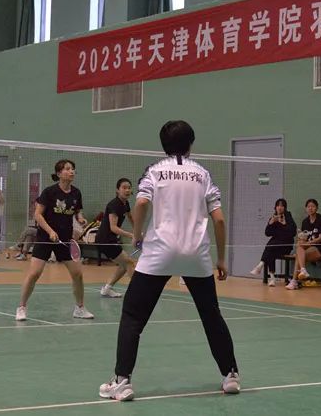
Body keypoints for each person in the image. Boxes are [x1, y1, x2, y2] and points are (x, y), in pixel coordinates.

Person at [99, 120, 240, 401]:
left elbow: (141, 203)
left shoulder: (154, 171)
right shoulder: (203, 174)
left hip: (159, 253)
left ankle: (122, 381)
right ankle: (231, 376)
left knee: (133, 316)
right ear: (191, 144)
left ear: (163, 145)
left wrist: (137, 236)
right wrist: (222, 259)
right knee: (211, 316)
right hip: (196, 256)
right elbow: (219, 220)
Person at [16, 159, 93, 321]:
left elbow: (77, 211)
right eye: (67, 169)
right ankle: (21, 307)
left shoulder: (76, 193)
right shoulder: (49, 192)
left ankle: (79, 308)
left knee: (78, 274)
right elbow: (37, 215)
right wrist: (50, 231)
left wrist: (80, 219)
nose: (71, 171)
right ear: (59, 173)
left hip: (64, 240)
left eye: (73, 169)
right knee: (34, 273)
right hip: (45, 237)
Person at [98, 178, 137, 298]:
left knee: (124, 265)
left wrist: (138, 231)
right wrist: (132, 235)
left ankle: (107, 289)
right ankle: (137, 292)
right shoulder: (114, 205)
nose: (127, 190)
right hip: (105, 240)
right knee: (129, 263)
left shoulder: (125, 204)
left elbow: (130, 217)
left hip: (111, 239)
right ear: (117, 190)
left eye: (129, 188)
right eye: (124, 188)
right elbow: (113, 228)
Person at [249, 198, 296, 287]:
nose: (279, 207)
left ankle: (261, 266)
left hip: (286, 246)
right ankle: (271, 277)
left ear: (285, 208)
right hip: (275, 246)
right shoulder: (273, 218)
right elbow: (267, 233)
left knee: (270, 248)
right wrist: (270, 223)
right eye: (278, 205)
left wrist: (283, 224)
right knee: (271, 251)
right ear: (275, 207)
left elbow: (292, 233)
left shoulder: (288, 217)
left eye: (282, 206)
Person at [286, 199, 321, 290]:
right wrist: (300, 237)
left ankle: (294, 281)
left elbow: (320, 238)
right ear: (306, 208)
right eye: (308, 206)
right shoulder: (305, 221)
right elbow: (304, 238)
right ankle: (302, 271)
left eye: (313, 206)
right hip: (308, 247)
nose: (310, 208)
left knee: (299, 255)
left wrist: (308, 243)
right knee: (299, 246)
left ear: (316, 208)